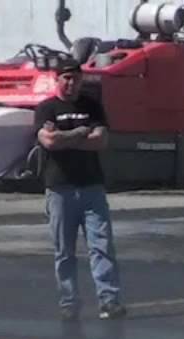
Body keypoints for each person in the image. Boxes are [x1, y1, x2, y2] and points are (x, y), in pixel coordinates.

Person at [35, 58, 125, 321]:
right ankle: (69, 301)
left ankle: (109, 300)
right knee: (64, 251)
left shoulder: (92, 106)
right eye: (66, 78)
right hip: (59, 189)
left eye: (75, 78)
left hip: (91, 187)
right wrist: (80, 132)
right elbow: (48, 142)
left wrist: (66, 137)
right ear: (57, 79)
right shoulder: (46, 109)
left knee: (102, 245)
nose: (71, 83)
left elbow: (100, 141)